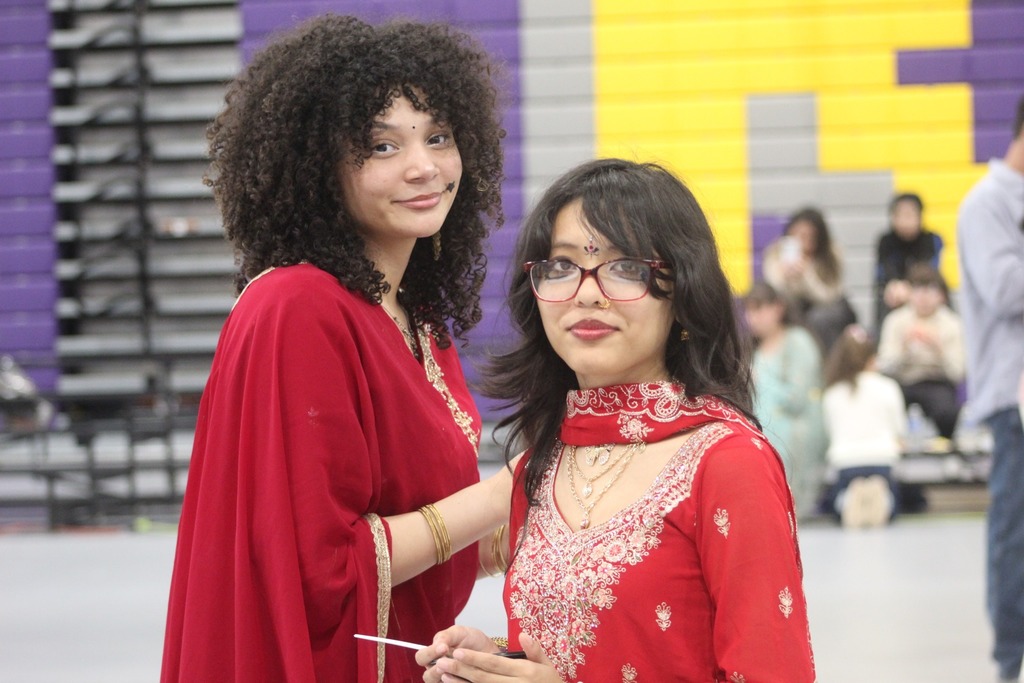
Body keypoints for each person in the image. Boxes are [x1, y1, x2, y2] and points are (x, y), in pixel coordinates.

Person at [160, 15, 513, 683]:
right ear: (319, 166)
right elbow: (319, 569)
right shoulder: (298, 308)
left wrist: (578, 496)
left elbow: (432, 531)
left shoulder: (420, 318)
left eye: (438, 136)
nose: (423, 166)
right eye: (382, 146)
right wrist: (505, 493)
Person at [415, 159, 816, 682]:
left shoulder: (728, 461)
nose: (586, 293)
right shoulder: (545, 462)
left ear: (683, 293)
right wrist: (496, 659)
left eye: (626, 267)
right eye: (560, 266)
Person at [957, 93, 1024, 683]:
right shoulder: (988, 204)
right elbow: (1006, 289)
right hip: (1014, 399)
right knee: (1016, 530)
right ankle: (1009, 659)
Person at [743, 280, 827, 519]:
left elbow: (798, 399)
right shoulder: (754, 350)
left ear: (778, 308)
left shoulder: (798, 342)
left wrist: (762, 380)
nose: (753, 318)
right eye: (748, 311)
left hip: (796, 428)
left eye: (759, 309)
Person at [821, 325, 907, 529]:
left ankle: (846, 500)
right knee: (896, 510)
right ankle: (885, 500)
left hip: (846, 462)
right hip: (882, 460)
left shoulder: (832, 393)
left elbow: (830, 432)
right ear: (871, 359)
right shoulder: (888, 387)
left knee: (834, 509)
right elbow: (900, 430)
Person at [877, 264, 965, 441]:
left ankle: (945, 446)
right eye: (918, 290)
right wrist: (903, 348)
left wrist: (939, 348)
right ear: (909, 293)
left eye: (930, 291)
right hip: (903, 380)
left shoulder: (952, 323)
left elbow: (958, 372)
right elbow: (884, 366)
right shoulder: (896, 320)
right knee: (883, 403)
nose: (923, 298)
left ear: (941, 296)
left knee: (947, 411)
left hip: (936, 380)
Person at [762, 206, 856, 351]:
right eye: (797, 234)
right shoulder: (775, 252)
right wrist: (785, 277)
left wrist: (806, 275)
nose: (802, 240)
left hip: (827, 307)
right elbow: (774, 293)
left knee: (819, 318)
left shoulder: (832, 252)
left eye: (808, 236)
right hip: (793, 307)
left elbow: (830, 296)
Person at [874, 192, 944, 331]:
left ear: (920, 216)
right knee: (884, 298)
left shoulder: (932, 239)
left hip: (925, 289)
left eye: (910, 215)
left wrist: (910, 289)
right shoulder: (885, 241)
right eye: (900, 215)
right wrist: (894, 286)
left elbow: (931, 270)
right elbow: (882, 272)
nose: (905, 221)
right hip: (894, 294)